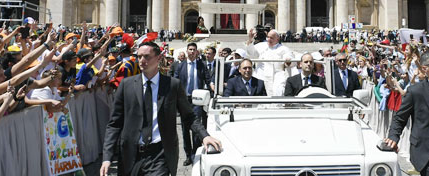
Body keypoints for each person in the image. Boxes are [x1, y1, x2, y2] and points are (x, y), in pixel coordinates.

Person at [101, 41, 221, 176]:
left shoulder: (172, 85)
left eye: (146, 56)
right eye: (139, 57)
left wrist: (204, 136)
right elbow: (114, 124)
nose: (141, 61)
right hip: (131, 155)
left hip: (160, 155)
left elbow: (188, 116)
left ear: (158, 58)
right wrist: (107, 157)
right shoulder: (126, 85)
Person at [174, 43, 212, 165]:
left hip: (197, 100)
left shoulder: (202, 65)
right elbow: (175, 81)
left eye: (193, 50)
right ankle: (188, 155)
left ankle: (195, 152)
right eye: (190, 49)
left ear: (196, 52)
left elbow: (207, 79)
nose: (191, 52)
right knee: (185, 129)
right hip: (184, 100)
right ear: (186, 51)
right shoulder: (180, 66)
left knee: (196, 127)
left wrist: (212, 87)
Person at [245, 28, 292, 96]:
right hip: (261, 75)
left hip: (277, 75)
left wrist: (288, 61)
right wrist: (250, 40)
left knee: (277, 92)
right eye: (268, 37)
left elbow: (289, 58)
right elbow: (252, 54)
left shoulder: (283, 49)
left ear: (277, 39)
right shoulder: (261, 45)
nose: (269, 39)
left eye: (271, 38)